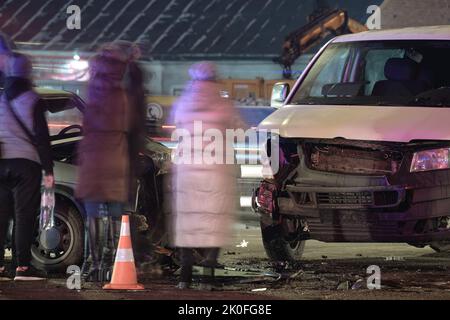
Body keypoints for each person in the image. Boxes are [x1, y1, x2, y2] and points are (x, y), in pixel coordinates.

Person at [171, 62, 240, 290]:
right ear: (215, 78)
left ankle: (185, 277)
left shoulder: (184, 102)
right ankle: (208, 278)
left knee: (188, 222)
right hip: (215, 171)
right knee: (213, 220)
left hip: (187, 172)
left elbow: (176, 126)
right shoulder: (222, 103)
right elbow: (238, 129)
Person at [77, 48, 132, 282]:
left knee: (93, 215)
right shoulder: (122, 94)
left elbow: (88, 127)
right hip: (116, 160)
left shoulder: (93, 94)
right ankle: (111, 265)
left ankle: (93, 264)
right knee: (112, 215)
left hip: (95, 161)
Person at [0, 52, 54, 281]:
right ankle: (22, 267)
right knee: (24, 214)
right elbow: (42, 138)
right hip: (26, 164)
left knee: (1, 215)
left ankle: (1, 266)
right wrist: (48, 170)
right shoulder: (33, 100)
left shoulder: (1, 98)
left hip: (1, 163)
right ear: (28, 73)